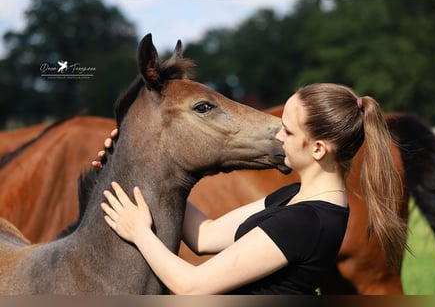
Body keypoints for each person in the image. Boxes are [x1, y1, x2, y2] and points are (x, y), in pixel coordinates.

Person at [97, 83, 406, 295]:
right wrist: (143, 171)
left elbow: (191, 286)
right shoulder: (294, 199)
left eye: (287, 130)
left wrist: (139, 232)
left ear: (318, 149)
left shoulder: (306, 221)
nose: (278, 136)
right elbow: (205, 235)